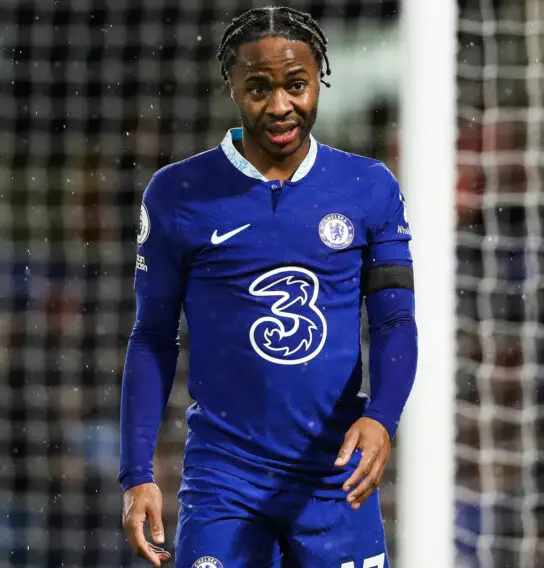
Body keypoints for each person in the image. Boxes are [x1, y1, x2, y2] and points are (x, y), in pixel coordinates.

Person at [118, 6, 418, 567]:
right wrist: (137, 472)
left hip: (335, 473)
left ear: (318, 81)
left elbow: (395, 320)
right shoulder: (179, 193)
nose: (280, 106)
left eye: (296, 85)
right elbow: (153, 336)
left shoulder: (368, 187)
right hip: (224, 478)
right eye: (259, 88)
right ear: (232, 86)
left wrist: (381, 417)